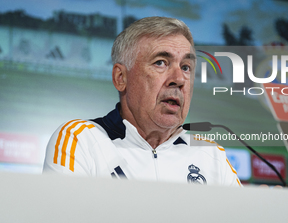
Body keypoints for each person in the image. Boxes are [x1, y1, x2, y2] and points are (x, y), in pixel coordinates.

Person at [43, 16, 241, 187]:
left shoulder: (211, 155)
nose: (179, 79)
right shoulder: (81, 140)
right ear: (121, 78)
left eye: (186, 67)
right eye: (160, 63)